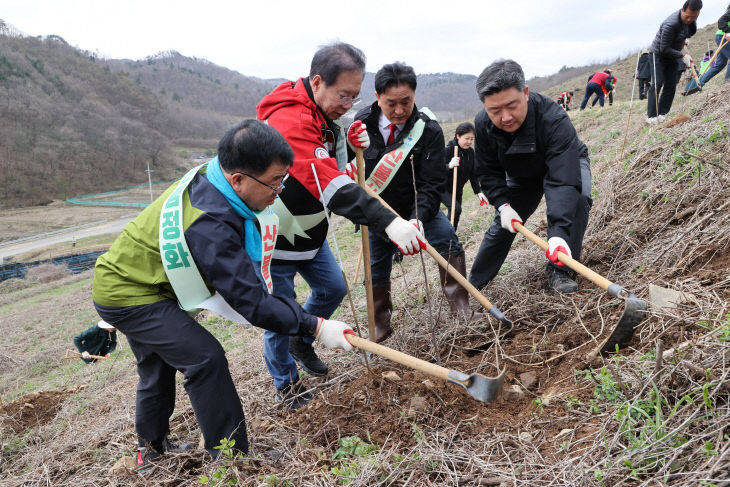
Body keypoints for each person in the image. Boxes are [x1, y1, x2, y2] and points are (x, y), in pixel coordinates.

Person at [92, 120, 355, 467]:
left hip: (142, 279)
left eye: (283, 179)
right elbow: (252, 303)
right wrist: (315, 326)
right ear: (238, 179)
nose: (279, 192)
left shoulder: (217, 181)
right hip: (129, 291)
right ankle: (231, 457)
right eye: (275, 182)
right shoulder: (210, 222)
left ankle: (150, 451)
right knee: (205, 358)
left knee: (157, 365)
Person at [256, 44, 423, 400]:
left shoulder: (321, 115)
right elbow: (327, 182)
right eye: (343, 95)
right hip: (278, 237)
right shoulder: (290, 119)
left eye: (354, 97)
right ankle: (286, 385)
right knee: (280, 314)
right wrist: (388, 222)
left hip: (311, 232)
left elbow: (330, 165)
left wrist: (346, 143)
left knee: (333, 288)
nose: (348, 104)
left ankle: (303, 338)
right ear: (317, 82)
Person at [347, 62, 485, 342]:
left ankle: (461, 309)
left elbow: (432, 183)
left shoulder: (428, 130)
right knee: (377, 266)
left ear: (414, 96)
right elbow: (349, 170)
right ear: (377, 97)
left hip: (419, 207)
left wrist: (417, 219)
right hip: (378, 212)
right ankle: (380, 329)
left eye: (406, 102)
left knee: (448, 241)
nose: (399, 111)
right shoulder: (361, 125)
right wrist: (348, 153)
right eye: (391, 103)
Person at [468, 59, 592, 294]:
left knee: (578, 199)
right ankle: (474, 283)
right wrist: (503, 205)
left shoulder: (554, 119)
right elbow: (488, 170)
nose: (505, 117)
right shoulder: (482, 124)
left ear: (525, 93)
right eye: (495, 110)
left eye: (512, 106)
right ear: (485, 107)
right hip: (521, 172)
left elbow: (563, 179)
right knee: (504, 224)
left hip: (564, 163)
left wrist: (557, 234)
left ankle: (561, 269)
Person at [646, 0, 702, 123]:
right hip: (658, 54)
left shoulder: (692, 20)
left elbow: (688, 31)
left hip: (673, 54)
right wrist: (682, 56)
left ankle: (662, 113)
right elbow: (664, 48)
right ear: (682, 10)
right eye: (687, 16)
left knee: (671, 84)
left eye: (693, 17)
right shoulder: (670, 24)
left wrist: (684, 39)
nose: (689, 20)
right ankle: (651, 116)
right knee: (658, 83)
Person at [440, 122, 484, 231]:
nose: (469, 142)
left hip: (458, 188)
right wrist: (449, 165)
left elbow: (472, 174)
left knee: (456, 214)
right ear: (458, 136)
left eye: (471, 139)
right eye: (466, 138)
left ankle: (451, 239)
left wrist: (478, 192)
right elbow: (436, 168)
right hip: (442, 188)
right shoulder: (449, 149)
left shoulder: (471, 153)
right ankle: (444, 234)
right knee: (455, 209)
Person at [692, 5, 730, 88]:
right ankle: (728, 83)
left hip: (723, 37)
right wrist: (728, 31)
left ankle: (700, 81)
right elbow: (721, 21)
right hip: (723, 37)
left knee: (720, 64)